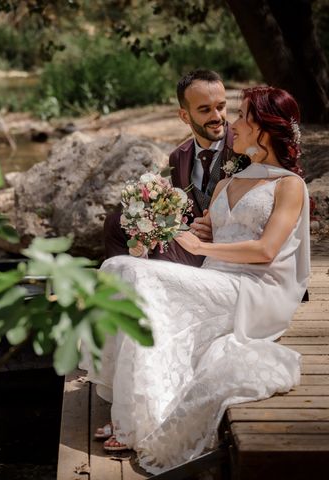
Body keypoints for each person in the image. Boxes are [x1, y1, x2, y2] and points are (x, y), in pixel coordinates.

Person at [82, 85, 310, 474]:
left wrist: (204, 250)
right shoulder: (227, 183)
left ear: (264, 128)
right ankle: (132, 409)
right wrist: (186, 230)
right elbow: (214, 235)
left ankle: (134, 421)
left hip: (256, 290)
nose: (232, 123)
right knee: (118, 269)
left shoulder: (289, 185)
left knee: (143, 280)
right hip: (217, 279)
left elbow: (266, 251)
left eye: (241, 116)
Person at [103, 69, 247, 265]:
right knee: (115, 224)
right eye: (205, 110)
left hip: (228, 246)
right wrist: (150, 226)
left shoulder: (244, 147)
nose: (217, 116)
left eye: (221, 107)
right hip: (192, 240)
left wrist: (217, 229)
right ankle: (120, 289)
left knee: (160, 257)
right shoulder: (179, 157)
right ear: (184, 116)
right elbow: (184, 215)